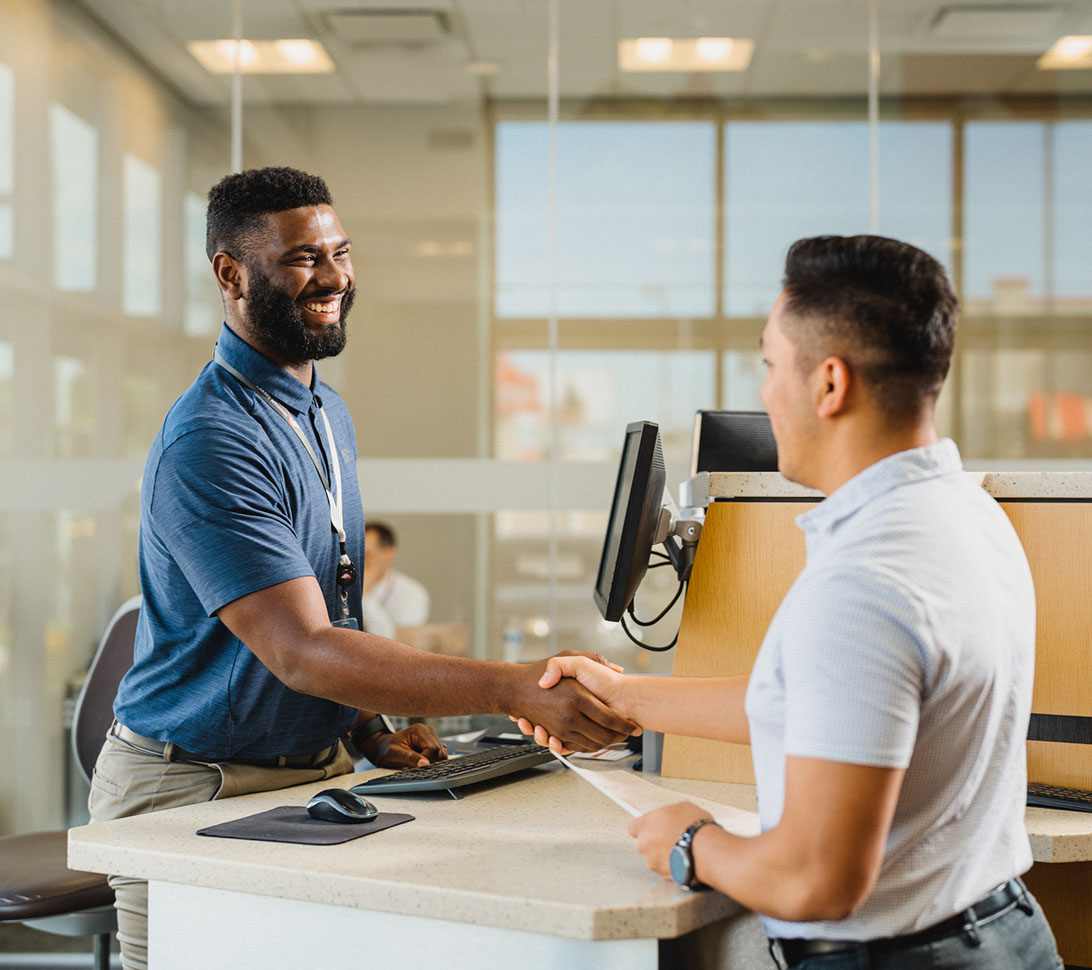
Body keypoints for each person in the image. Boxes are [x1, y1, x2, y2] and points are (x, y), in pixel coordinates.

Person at [89, 166, 636, 970]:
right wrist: (514, 687)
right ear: (230, 274)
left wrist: (370, 728)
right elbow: (303, 649)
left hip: (316, 776)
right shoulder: (211, 438)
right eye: (305, 258)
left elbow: (332, 598)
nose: (336, 277)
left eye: (341, 252)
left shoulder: (322, 410)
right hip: (194, 788)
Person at [518, 235, 1063, 969]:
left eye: (771, 365)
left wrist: (689, 842)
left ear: (829, 385)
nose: (766, 390)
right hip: (1004, 931)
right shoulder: (965, 515)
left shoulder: (866, 579)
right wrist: (627, 697)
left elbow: (816, 880)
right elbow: (834, 702)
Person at [362, 521, 430, 632]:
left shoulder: (412, 593)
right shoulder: (341, 587)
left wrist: (364, 596)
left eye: (367, 555)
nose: (359, 561)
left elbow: (398, 641)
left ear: (389, 554)